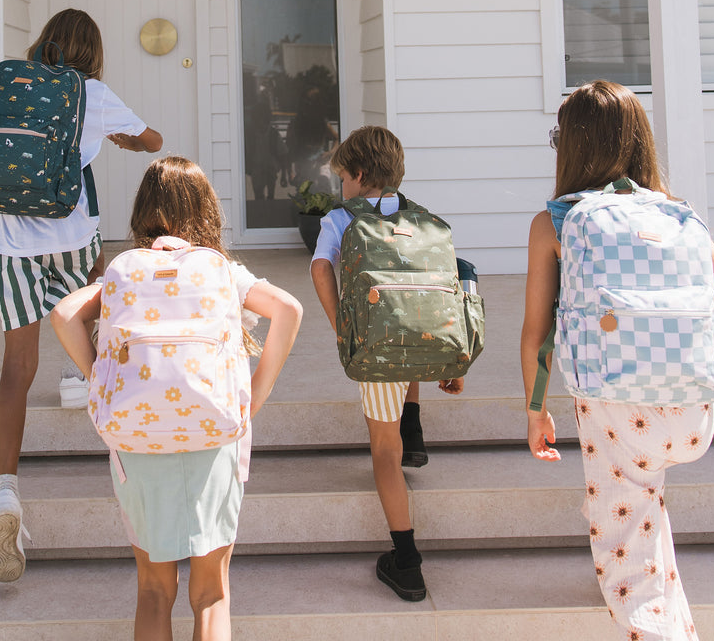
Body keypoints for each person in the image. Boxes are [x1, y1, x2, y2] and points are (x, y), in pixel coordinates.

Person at [521, 80, 714, 641]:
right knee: (643, 509)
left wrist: (536, 408)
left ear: (572, 147)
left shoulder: (557, 221)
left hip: (616, 408)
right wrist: (682, 350)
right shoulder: (674, 216)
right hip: (692, 411)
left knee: (627, 562)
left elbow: (538, 335)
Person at [51, 156, 303, 640]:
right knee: (211, 592)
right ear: (205, 208)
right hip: (213, 433)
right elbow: (288, 310)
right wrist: (255, 394)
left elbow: (64, 315)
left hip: (137, 436)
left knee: (152, 589)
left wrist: (98, 373)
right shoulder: (222, 270)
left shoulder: (126, 273)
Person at [0, 8, 163, 583]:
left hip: (10, 243)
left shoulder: (13, 81)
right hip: (71, 236)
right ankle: (123, 451)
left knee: (15, 367)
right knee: (96, 333)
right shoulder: (90, 92)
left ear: (43, 44)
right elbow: (153, 140)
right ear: (92, 51)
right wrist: (117, 135)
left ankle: (6, 495)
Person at [309, 125, 464, 603]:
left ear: (357, 174)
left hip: (376, 352)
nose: (342, 188)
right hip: (424, 345)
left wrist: (341, 323)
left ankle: (407, 562)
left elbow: (319, 267)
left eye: (343, 179)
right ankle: (412, 425)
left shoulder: (340, 218)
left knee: (383, 454)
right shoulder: (426, 220)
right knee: (408, 314)